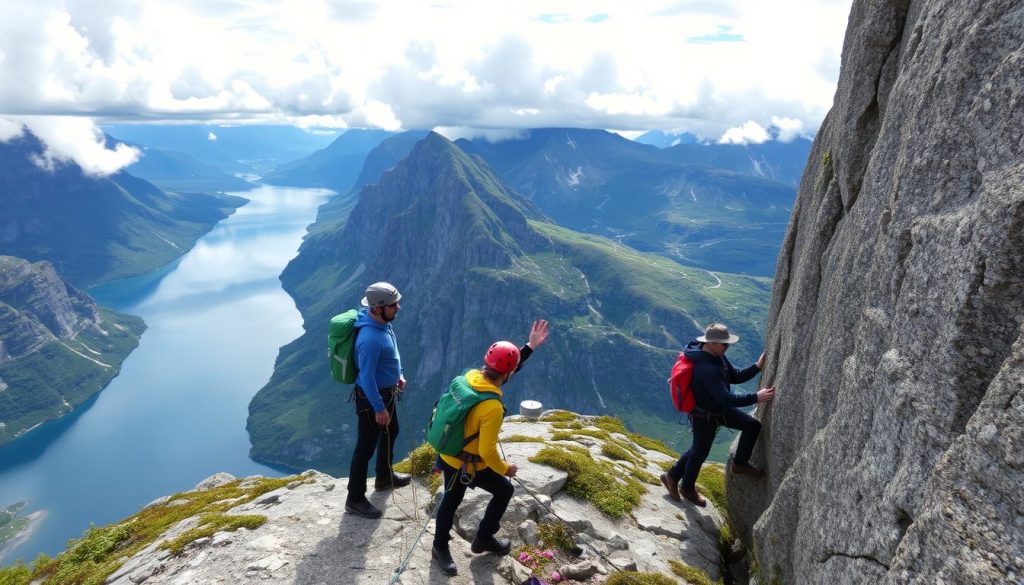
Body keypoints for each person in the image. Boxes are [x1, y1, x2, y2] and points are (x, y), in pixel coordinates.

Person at [431, 320, 550, 576]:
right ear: (506, 373)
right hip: (465, 462)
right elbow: (487, 451)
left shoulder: (473, 377)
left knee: (457, 499)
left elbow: (504, 369)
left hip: (450, 455)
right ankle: (446, 544)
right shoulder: (492, 407)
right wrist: (506, 468)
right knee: (498, 490)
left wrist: (529, 346)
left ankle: (479, 539)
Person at [660, 322, 775, 507]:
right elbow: (725, 398)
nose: (727, 347)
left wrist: (756, 367)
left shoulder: (716, 356)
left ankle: (739, 464)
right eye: (725, 344)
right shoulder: (706, 368)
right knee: (700, 450)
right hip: (704, 415)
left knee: (751, 426)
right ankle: (685, 487)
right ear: (712, 343)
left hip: (716, 410)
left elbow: (734, 376)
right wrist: (756, 397)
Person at [345, 281, 411, 519]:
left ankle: (384, 477)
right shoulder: (369, 339)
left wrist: (399, 374)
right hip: (373, 399)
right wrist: (378, 408)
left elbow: (393, 350)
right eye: (393, 305)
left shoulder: (382, 323)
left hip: (387, 392)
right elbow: (367, 377)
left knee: (392, 431)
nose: (398, 307)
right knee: (365, 448)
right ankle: (354, 499)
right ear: (377, 308)